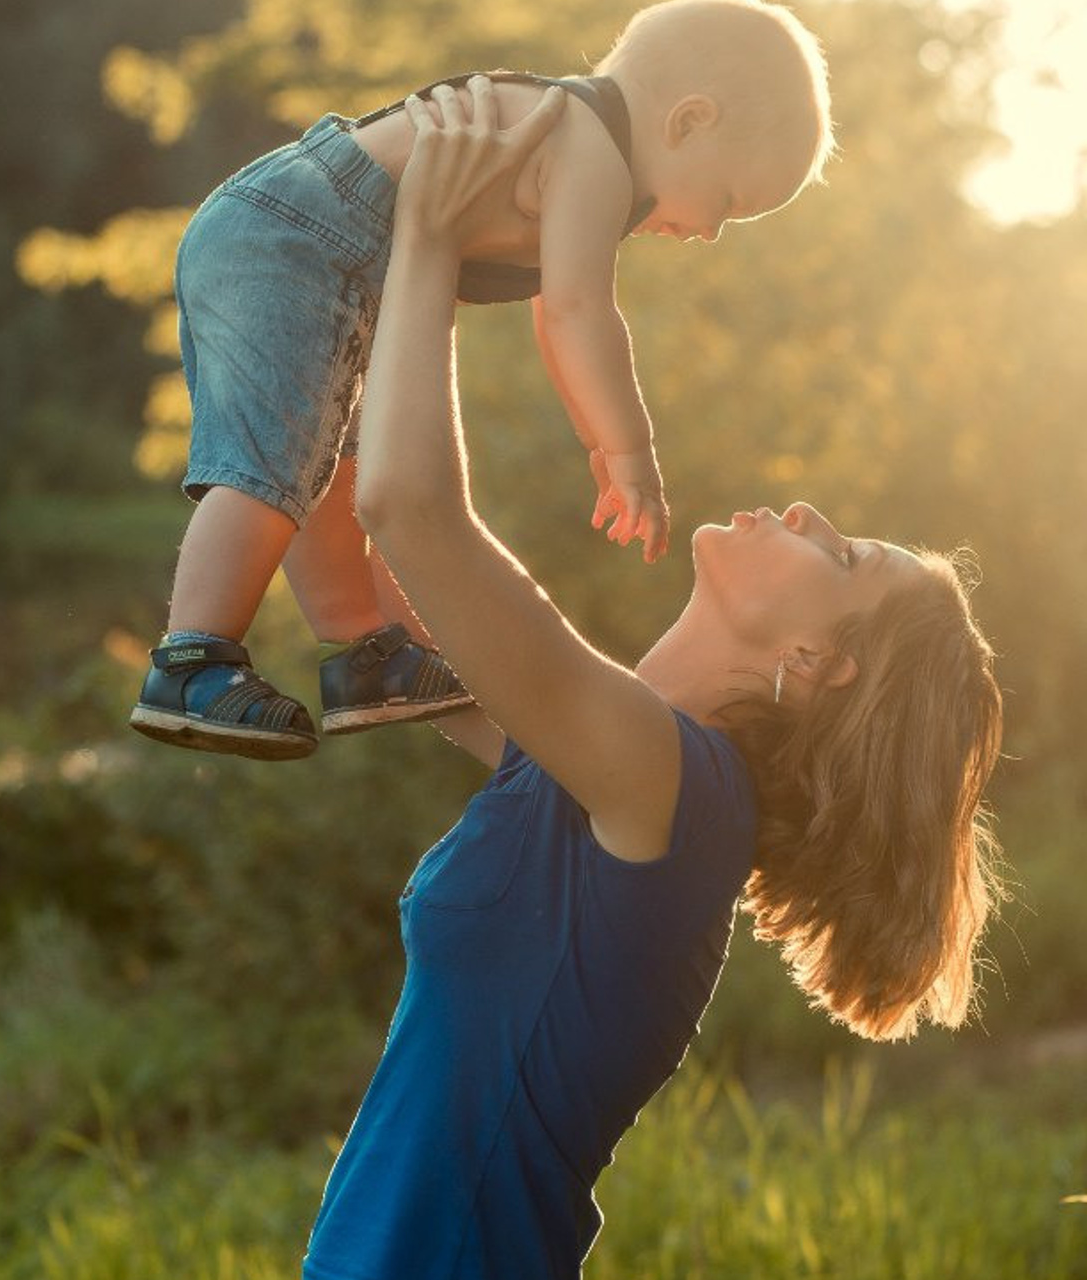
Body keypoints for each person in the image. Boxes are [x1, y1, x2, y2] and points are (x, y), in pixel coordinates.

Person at [300, 79, 1004, 1280]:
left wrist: (425, 234)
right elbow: (365, 587)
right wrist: (323, 288)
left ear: (812, 664)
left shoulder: (677, 799)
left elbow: (410, 506)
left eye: (837, 552)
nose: (802, 510)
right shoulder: (591, 768)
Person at [130, 0, 836, 760]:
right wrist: (628, 450)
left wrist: (594, 433)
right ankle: (192, 657)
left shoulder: (576, 140)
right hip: (296, 237)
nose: (709, 233)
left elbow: (553, 315)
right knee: (271, 459)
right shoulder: (590, 146)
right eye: (728, 204)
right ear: (689, 120)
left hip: (303, 237)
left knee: (328, 463)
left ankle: (367, 653)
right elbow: (577, 312)